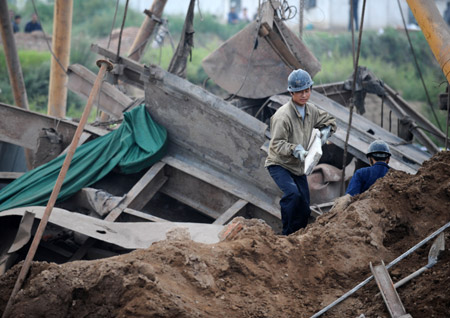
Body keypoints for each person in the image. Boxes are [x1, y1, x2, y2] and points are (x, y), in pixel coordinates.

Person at [265, 69, 337, 235]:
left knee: (304, 205)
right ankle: (287, 234)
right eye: (299, 92)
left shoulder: (311, 110)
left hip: (298, 166)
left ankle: (300, 235)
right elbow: (276, 144)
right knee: (292, 194)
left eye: (307, 91)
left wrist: (327, 130)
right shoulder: (283, 116)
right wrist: (295, 149)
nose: (304, 95)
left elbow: (330, 120)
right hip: (280, 164)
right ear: (291, 92)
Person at [332, 140, 391, 211]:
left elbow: (350, 197)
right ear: (388, 159)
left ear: (370, 159)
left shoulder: (361, 173)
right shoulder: (397, 177)